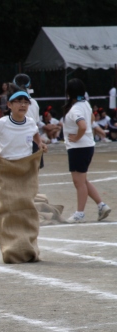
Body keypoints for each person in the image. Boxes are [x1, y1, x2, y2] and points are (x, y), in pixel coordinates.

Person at [0, 84, 48, 263]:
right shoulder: (1, 123)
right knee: (8, 209)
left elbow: (35, 133)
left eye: (25, 102)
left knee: (27, 208)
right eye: (18, 102)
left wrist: (41, 143)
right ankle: (12, 249)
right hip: (7, 169)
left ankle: (29, 248)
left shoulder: (30, 122)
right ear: (9, 105)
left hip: (26, 169)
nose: (22, 105)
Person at [61, 78, 111, 224]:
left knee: (79, 182)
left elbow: (82, 126)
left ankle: (80, 213)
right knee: (82, 180)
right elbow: (91, 118)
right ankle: (101, 205)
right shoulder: (85, 104)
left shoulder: (75, 108)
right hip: (86, 146)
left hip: (79, 148)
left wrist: (76, 137)